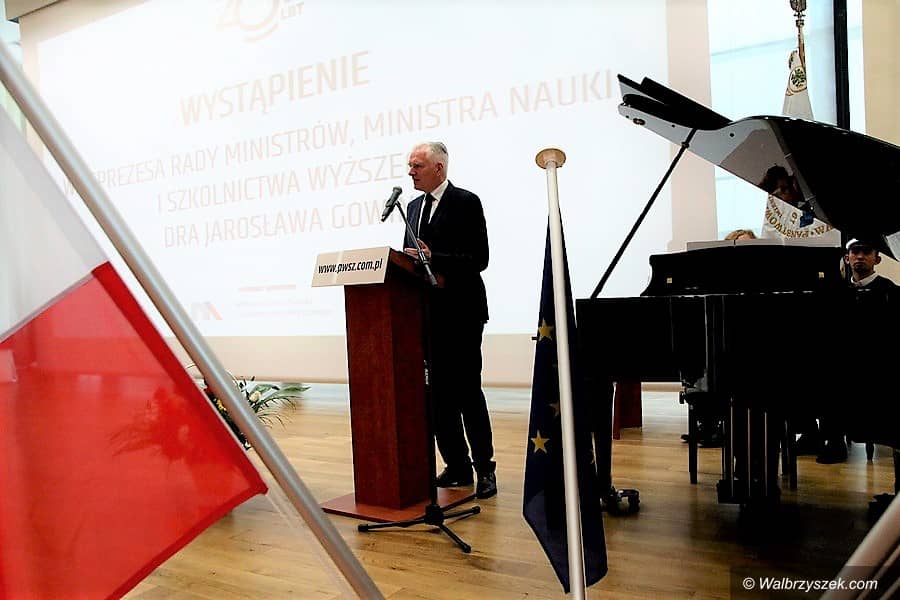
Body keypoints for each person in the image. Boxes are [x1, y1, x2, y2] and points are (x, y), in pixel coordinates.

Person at [402, 141, 497, 499]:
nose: (410, 172)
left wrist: (435, 257)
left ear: (438, 168)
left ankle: (485, 469)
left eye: (417, 166)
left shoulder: (465, 202)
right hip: (427, 315)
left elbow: (479, 258)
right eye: (410, 166)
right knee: (438, 396)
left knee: (467, 392)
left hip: (462, 312)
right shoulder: (413, 208)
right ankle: (457, 466)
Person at [814, 238, 899, 464]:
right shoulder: (835, 292)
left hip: (877, 363)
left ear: (877, 259)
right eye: (855, 251)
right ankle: (833, 440)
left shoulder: (890, 292)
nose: (860, 256)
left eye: (866, 252)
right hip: (844, 362)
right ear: (847, 257)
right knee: (827, 378)